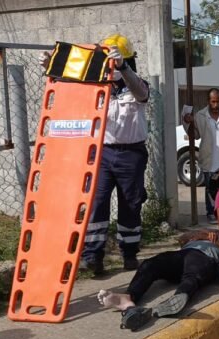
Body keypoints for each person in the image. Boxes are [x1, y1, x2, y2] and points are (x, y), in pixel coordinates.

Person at [40, 33, 150, 275]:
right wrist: (51, 66)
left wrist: (123, 68)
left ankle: (129, 255)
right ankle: (94, 257)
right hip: (103, 154)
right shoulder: (95, 86)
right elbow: (69, 82)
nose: (112, 65)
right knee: (96, 204)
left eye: (117, 61)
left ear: (127, 60)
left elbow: (141, 94)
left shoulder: (137, 84)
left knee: (130, 205)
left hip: (132, 154)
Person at [97, 229, 219, 331]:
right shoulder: (198, 236)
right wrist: (202, 235)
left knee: (192, 275)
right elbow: (182, 239)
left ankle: (179, 297)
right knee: (150, 264)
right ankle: (128, 297)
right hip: (183, 255)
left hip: (206, 258)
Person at [182, 88, 219, 224]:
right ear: (208, 101)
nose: (216, 105)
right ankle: (211, 213)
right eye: (213, 102)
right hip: (209, 159)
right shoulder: (201, 116)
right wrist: (187, 122)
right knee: (210, 189)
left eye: (218, 101)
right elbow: (195, 135)